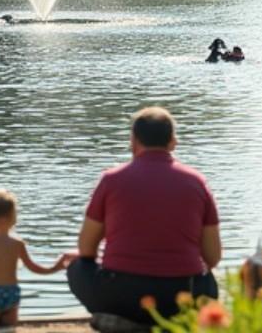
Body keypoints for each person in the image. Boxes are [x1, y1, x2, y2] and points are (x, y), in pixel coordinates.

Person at [68, 107, 221, 327]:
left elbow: (86, 249)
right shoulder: (197, 182)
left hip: (122, 297)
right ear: (173, 141)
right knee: (208, 280)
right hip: (180, 298)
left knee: (77, 266)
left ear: (133, 140)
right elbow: (212, 257)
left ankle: (116, 320)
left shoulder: (111, 180)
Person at [0, 189, 73, 328]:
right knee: (2, 323)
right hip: (9, 292)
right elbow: (33, 267)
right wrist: (55, 267)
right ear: (13, 218)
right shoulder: (13, 243)